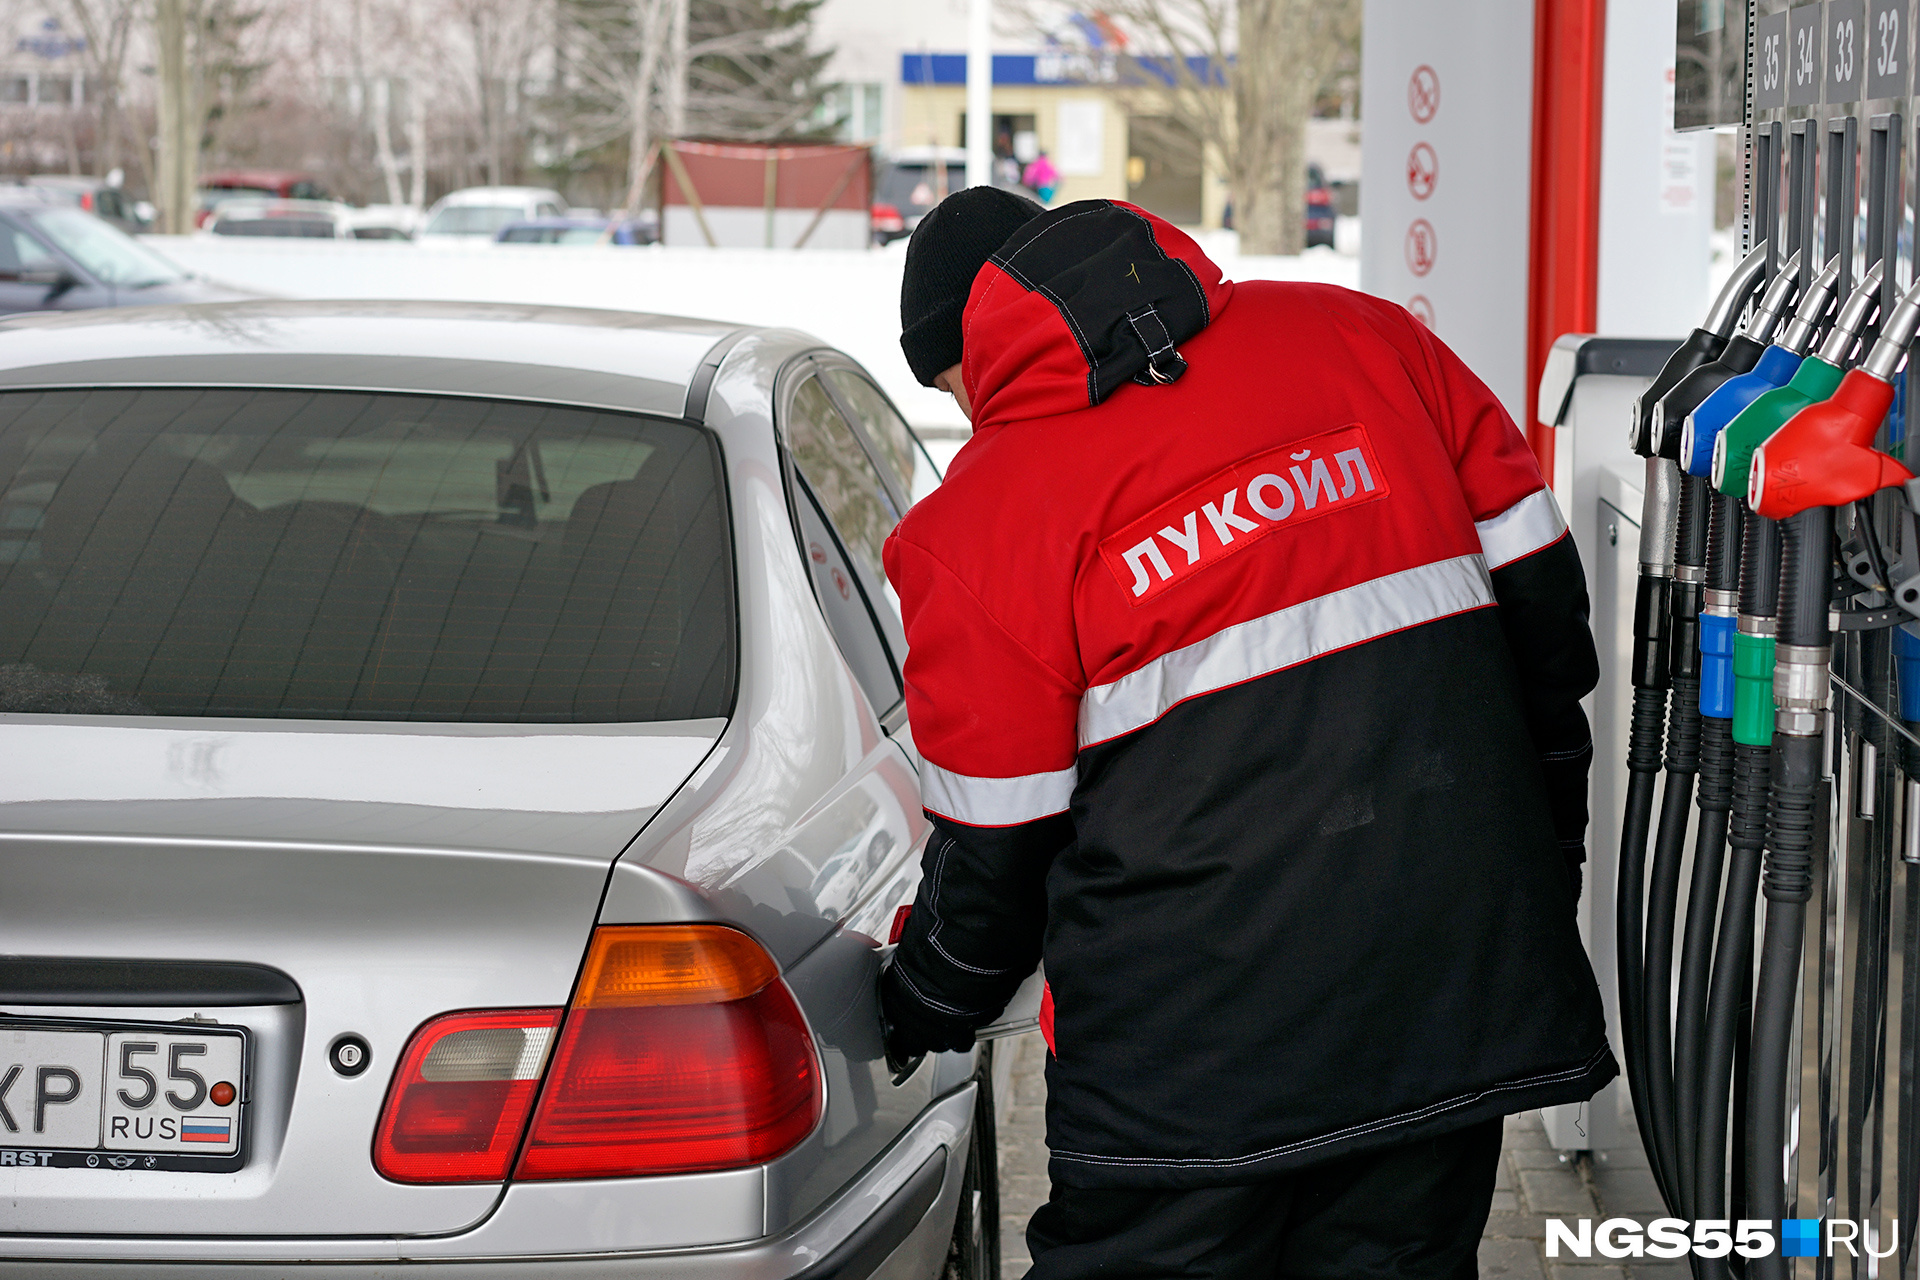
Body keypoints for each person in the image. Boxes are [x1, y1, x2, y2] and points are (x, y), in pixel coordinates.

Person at [879, 186, 1615, 1280]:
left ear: (974, 346)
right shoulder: (1364, 336)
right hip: (1446, 992)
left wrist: (927, 994)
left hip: (1183, 1075)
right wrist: (1537, 857)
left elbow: (998, 846)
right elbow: (1549, 622)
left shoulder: (979, 522)